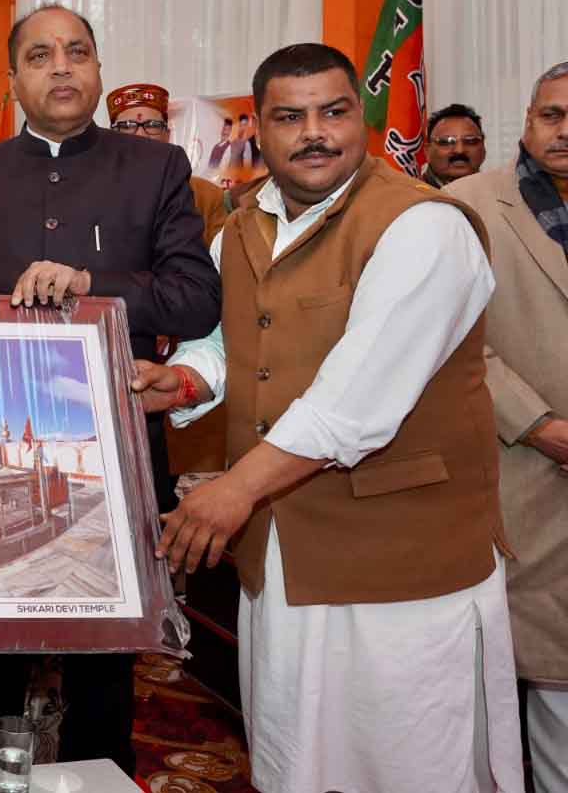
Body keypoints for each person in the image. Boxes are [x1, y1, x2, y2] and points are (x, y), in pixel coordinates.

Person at [133, 42, 521, 793]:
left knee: (410, 765)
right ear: (260, 133)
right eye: (289, 116)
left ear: (363, 120)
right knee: (296, 757)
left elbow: (357, 406)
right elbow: (223, 345)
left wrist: (235, 491)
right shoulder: (240, 229)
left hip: (404, 568)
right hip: (284, 561)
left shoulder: (422, 227)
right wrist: (179, 381)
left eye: (334, 111)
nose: (315, 132)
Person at [0, 4, 220, 776]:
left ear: (99, 69)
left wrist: (90, 284)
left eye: (78, 51)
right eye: (40, 56)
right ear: (13, 81)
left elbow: (195, 298)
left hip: (115, 448)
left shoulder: (157, 169)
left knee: (106, 669)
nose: (62, 67)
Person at [446, 62, 568, 789]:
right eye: (551, 114)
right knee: (497, 685)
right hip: (516, 474)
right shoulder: (469, 205)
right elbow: (454, 336)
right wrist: (539, 423)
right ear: (525, 121)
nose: (564, 130)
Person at [106, 82, 228, 246]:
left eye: (152, 125)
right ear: (111, 137)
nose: (141, 135)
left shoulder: (207, 196)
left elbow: (222, 263)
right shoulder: (94, 192)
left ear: (167, 135)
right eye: (127, 126)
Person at [424, 101, 488, 187]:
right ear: (427, 151)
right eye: (447, 142)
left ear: (483, 148)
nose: (459, 150)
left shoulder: (499, 193)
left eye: (470, 141)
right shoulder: (411, 195)